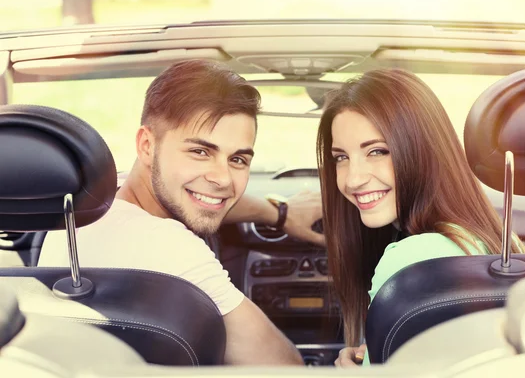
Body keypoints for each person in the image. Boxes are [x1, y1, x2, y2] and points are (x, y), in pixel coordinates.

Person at [38, 59, 323, 365]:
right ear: (147, 145)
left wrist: (277, 213)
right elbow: (283, 367)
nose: (223, 179)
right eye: (200, 152)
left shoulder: (86, 208)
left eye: (238, 159)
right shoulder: (170, 247)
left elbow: (198, 197)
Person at [315, 68, 525, 367]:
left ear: (422, 150)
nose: (352, 180)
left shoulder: (409, 259)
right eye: (341, 157)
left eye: (377, 151)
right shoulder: (498, 242)